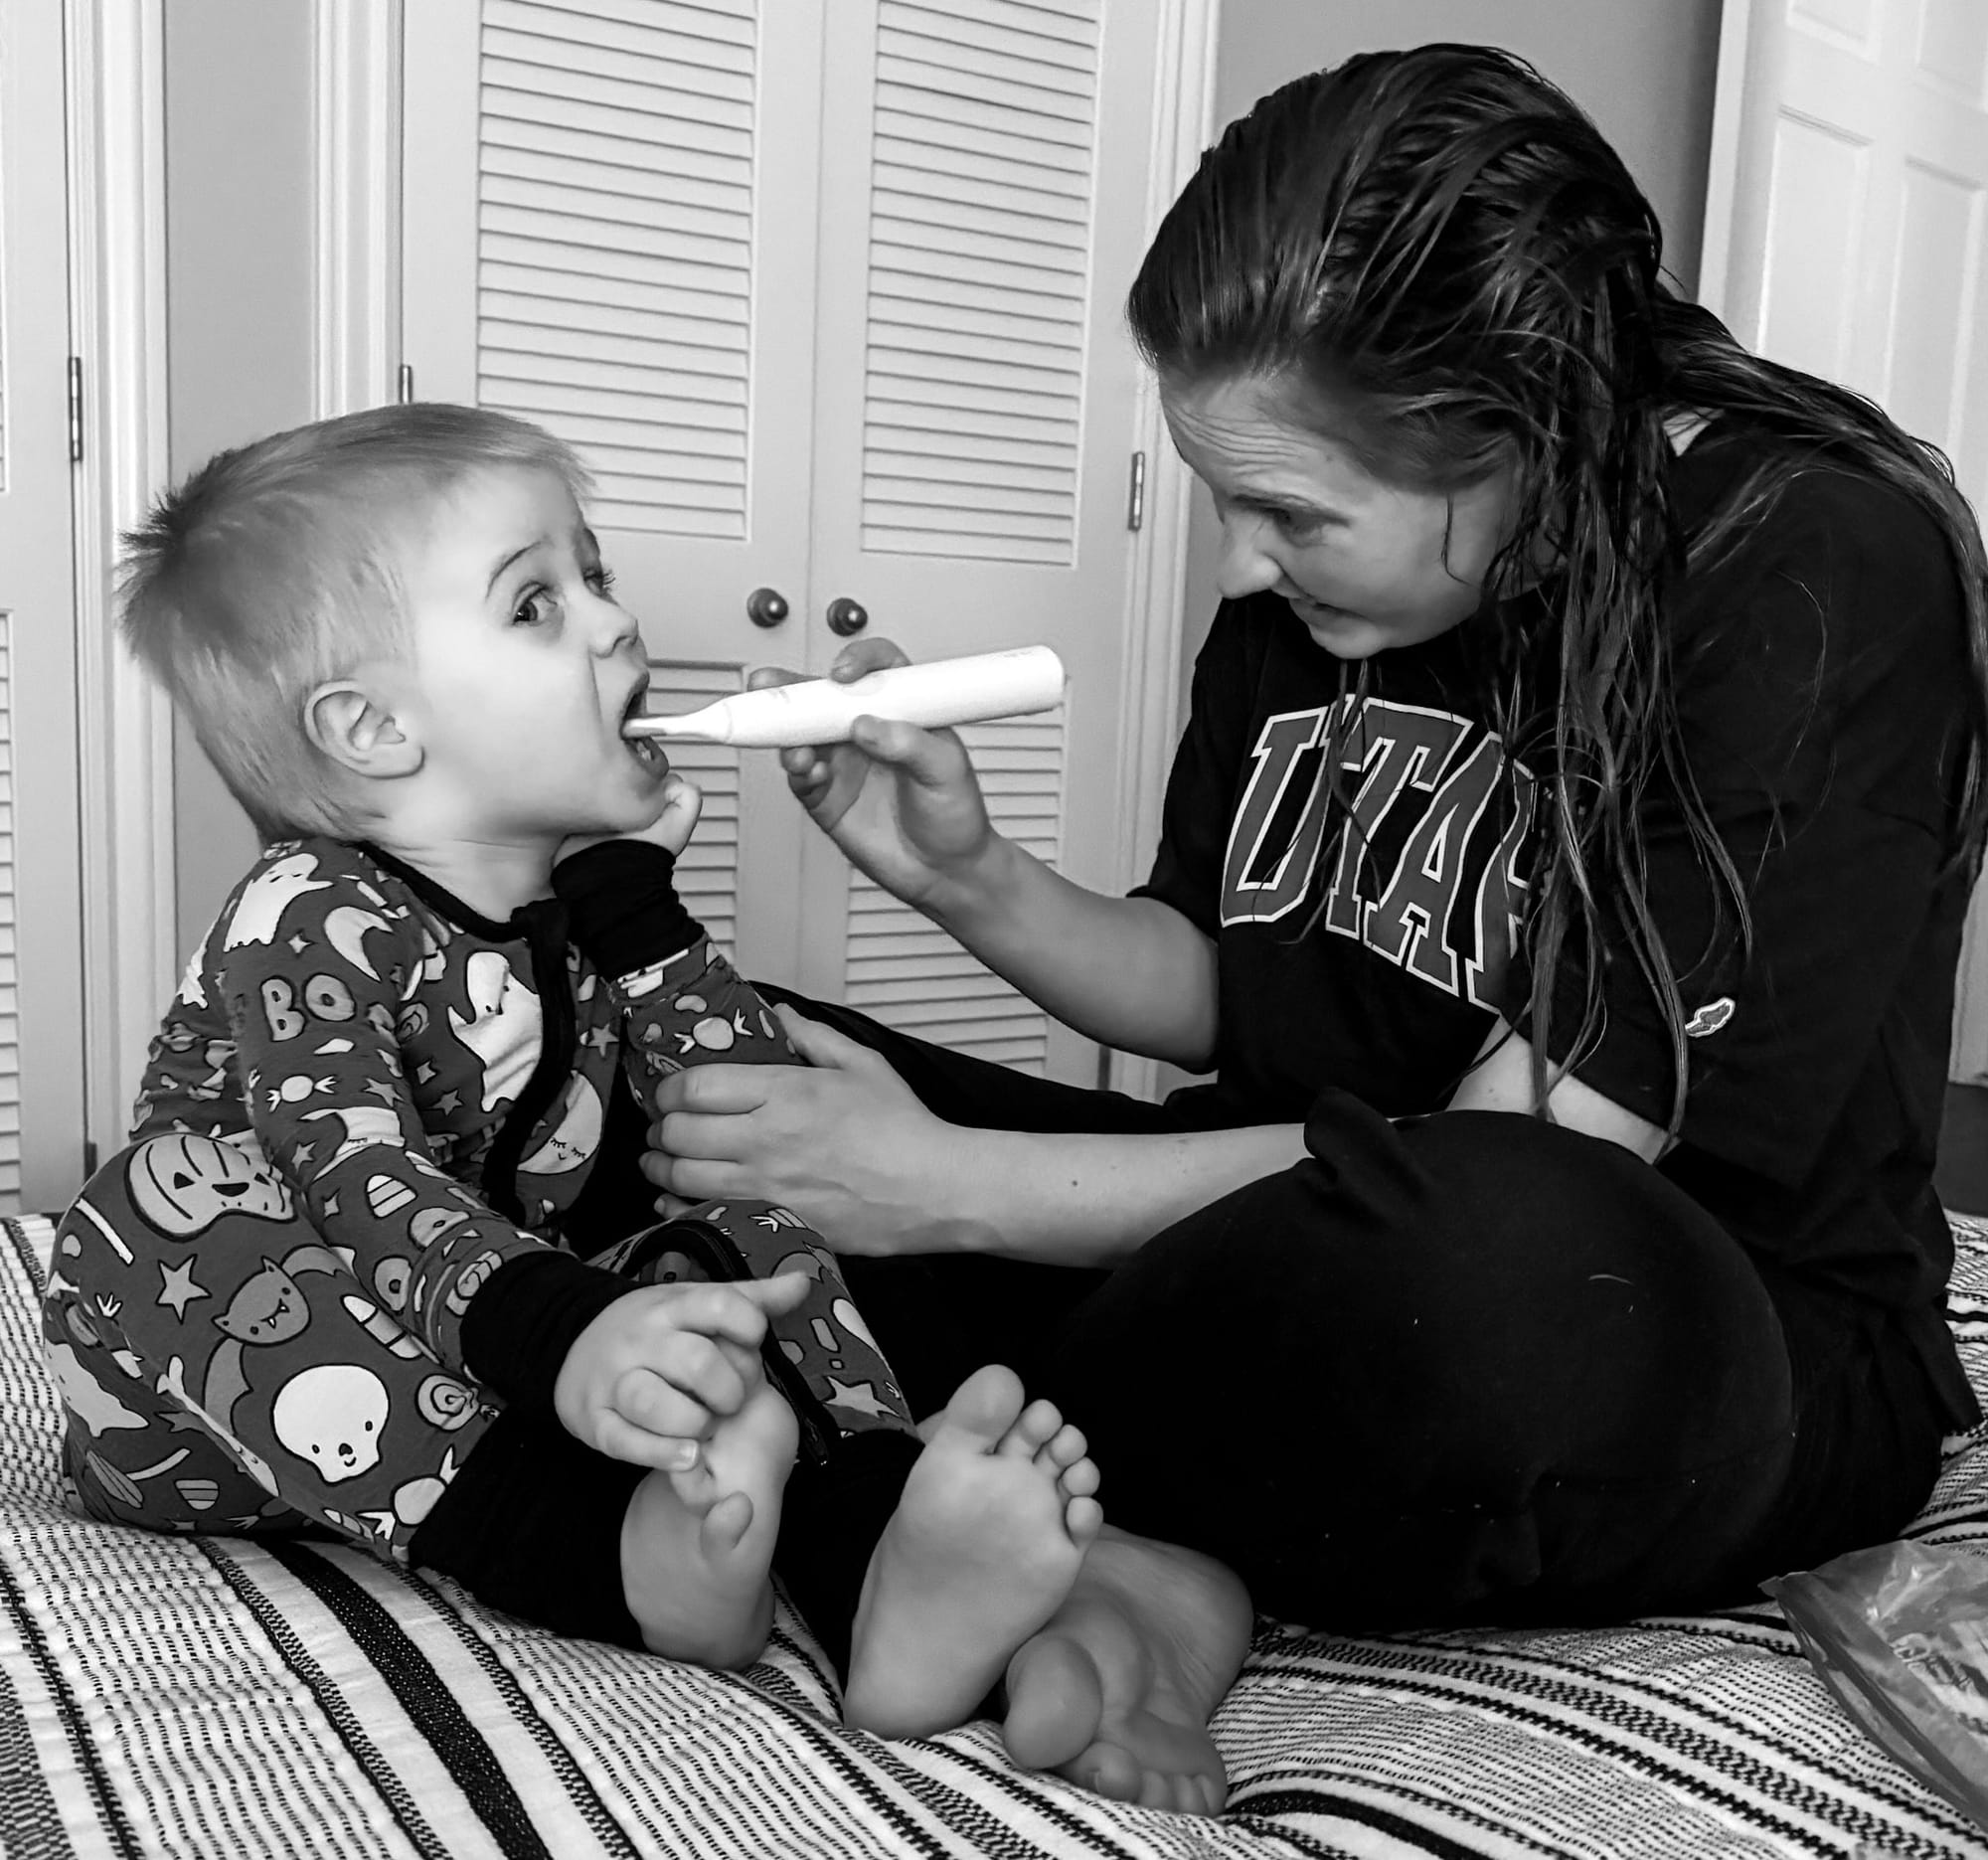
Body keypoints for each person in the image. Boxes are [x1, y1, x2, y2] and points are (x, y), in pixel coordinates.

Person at [634, 42, 1988, 1816]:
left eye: (1287, 511)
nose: (1236, 565)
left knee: (1503, 1263)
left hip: (1671, 1320)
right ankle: (1133, 1546)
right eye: (1226, 496)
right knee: (695, 1052)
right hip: (1268, 1258)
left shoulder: (1803, 568)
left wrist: (948, 1187)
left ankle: (1008, 1472)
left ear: (1523, 429)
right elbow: (1222, 995)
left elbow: (1542, 1147)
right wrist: (963, 875)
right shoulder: (1317, 605)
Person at [43, 402, 1123, 1748]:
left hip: (500, 1354)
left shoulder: (579, 911)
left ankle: (883, 1580)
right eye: (536, 605)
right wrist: (566, 1339)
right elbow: (351, 1178)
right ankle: (614, 1562)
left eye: (594, 574)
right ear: (373, 727)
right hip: (233, 1402)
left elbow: (756, 1104)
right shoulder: (308, 912)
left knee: (750, 1226)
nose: (616, 622)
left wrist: (639, 914)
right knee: (153, 1208)